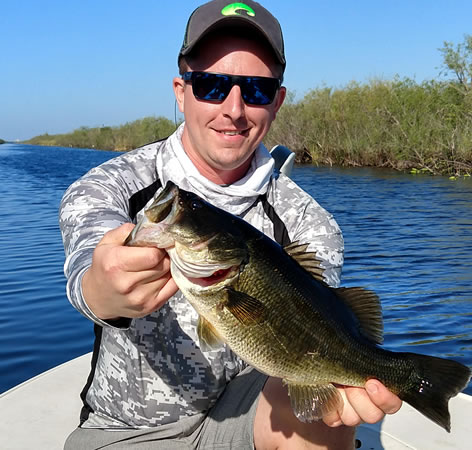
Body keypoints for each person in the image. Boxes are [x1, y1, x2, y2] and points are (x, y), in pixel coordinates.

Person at [60, 1, 402, 448]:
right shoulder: (113, 186)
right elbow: (87, 267)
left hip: (243, 415)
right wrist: (102, 291)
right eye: (212, 86)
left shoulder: (310, 222)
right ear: (181, 91)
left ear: (277, 102)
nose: (234, 109)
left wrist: (347, 383)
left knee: (325, 416)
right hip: (127, 430)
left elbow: (319, 329)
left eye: (256, 90)